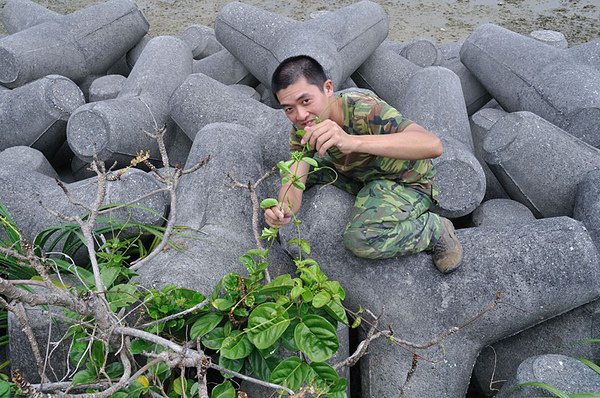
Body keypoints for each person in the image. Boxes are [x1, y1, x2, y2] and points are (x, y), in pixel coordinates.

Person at [263, 55, 462, 273]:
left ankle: (435, 230)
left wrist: (351, 141)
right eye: (289, 109)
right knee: (298, 172)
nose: (300, 115)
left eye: (306, 101)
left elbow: (432, 144)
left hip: (404, 180)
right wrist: (282, 211)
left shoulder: (364, 109)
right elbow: (295, 180)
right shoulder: (303, 130)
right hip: (358, 176)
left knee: (362, 239)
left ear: (328, 88)